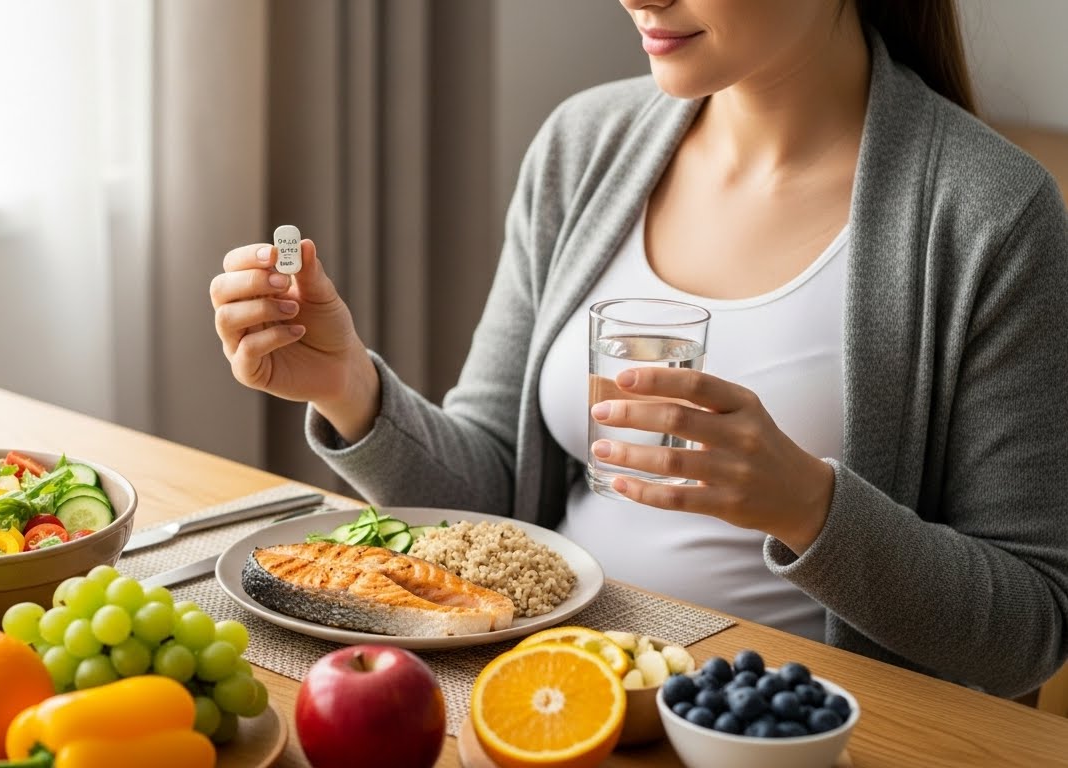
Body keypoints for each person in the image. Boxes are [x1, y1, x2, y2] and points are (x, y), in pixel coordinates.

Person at [209, 0, 1068, 698]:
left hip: (786, 725)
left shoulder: (989, 214)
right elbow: (491, 496)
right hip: (548, 690)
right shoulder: (583, 146)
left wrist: (806, 506)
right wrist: (352, 389)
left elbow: (1029, 631)